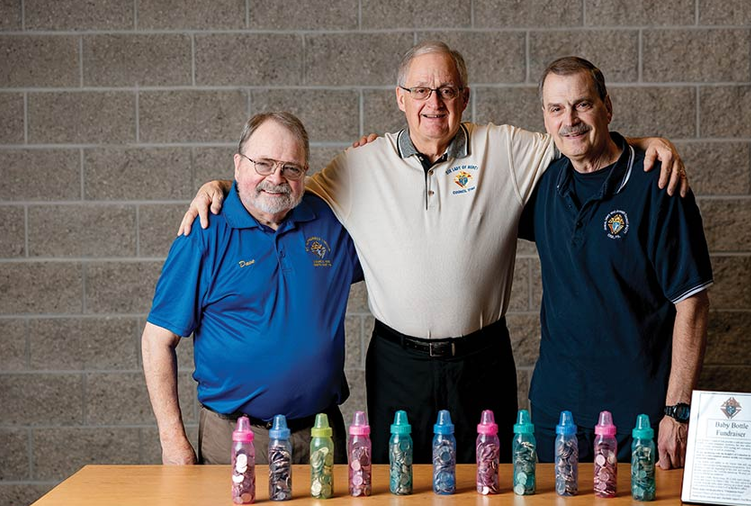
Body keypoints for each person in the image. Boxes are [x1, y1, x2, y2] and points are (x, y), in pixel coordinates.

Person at [178, 41, 688, 464]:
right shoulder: (361, 164)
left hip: (482, 360)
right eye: (421, 90)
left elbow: (578, 137)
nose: (434, 103)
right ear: (400, 99)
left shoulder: (507, 148)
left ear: (464, 97)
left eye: (446, 90)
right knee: (396, 485)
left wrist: (646, 143)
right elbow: (280, 189)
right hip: (397, 364)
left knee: (488, 482)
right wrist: (221, 186)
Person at [519, 57, 711, 469]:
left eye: (582, 105)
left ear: (607, 106)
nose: (569, 120)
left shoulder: (657, 185)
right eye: (556, 109)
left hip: (636, 419)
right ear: (545, 118)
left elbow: (692, 304)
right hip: (555, 415)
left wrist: (677, 412)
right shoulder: (543, 184)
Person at [142, 111, 361, 465]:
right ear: (238, 164)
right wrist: (172, 442)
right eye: (264, 163)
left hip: (320, 435)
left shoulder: (331, 222)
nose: (276, 178)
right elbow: (156, 340)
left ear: (305, 172)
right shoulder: (204, 232)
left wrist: (373, 156)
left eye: (291, 168)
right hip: (236, 439)